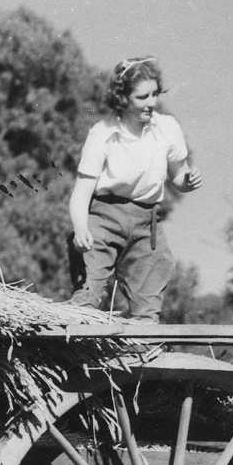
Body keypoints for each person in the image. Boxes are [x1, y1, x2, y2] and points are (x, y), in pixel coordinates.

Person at [68, 57, 202, 322]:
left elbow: (178, 176)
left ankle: (139, 355)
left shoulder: (166, 128)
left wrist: (187, 181)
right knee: (89, 295)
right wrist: (81, 228)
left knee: (148, 305)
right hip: (104, 218)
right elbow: (81, 195)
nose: (151, 103)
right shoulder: (103, 134)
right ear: (123, 98)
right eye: (142, 97)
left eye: (155, 94)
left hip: (146, 223)